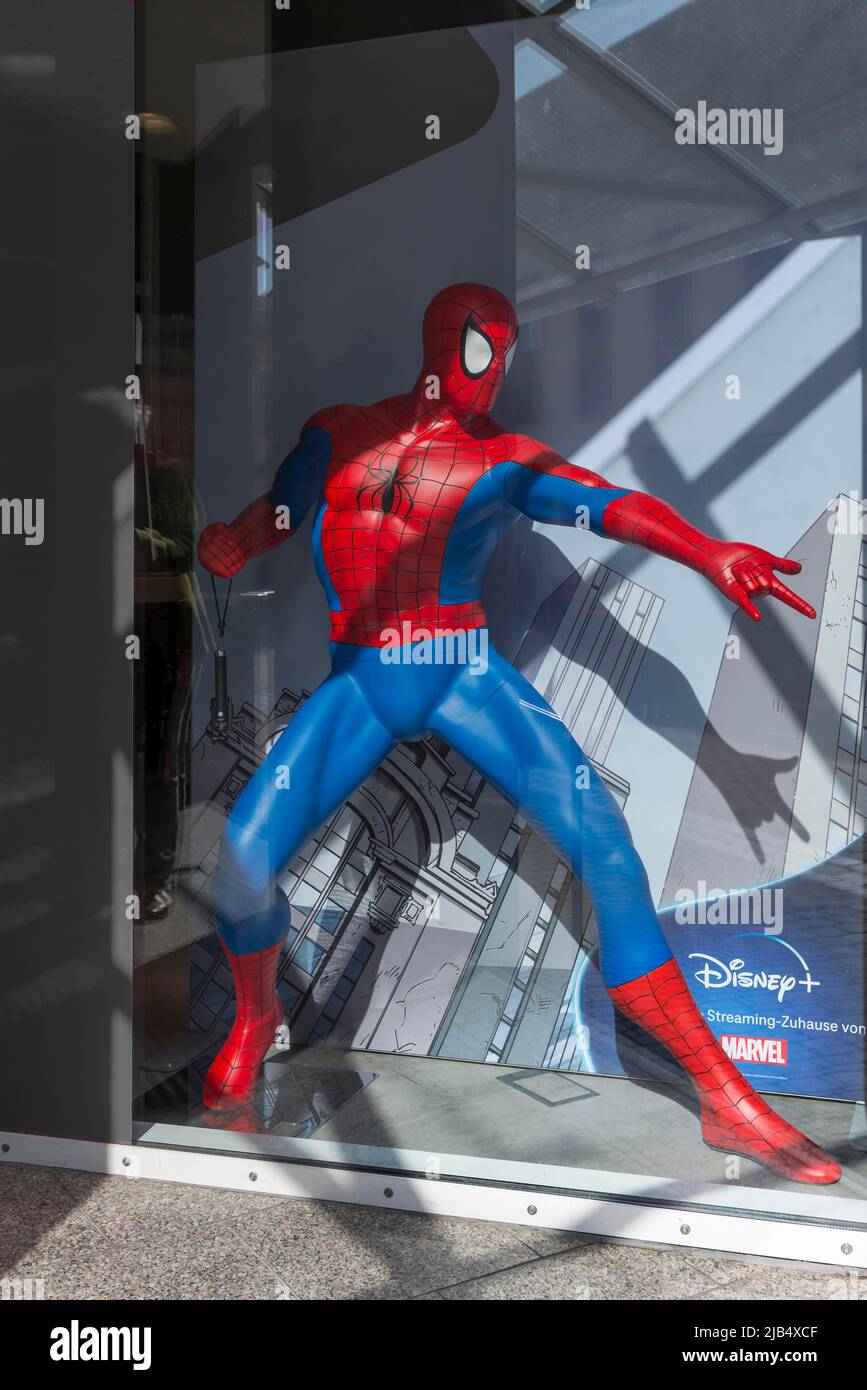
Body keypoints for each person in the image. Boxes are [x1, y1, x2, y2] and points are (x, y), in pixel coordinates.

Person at [197, 283, 839, 1184]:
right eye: (479, 350)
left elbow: (612, 504)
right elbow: (285, 506)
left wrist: (708, 552)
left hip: (464, 671)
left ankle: (723, 1097)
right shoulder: (337, 430)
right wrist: (234, 537)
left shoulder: (501, 460)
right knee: (242, 859)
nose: (495, 371)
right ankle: (257, 1016)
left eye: (506, 353)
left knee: (605, 847)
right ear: (438, 344)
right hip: (362, 681)